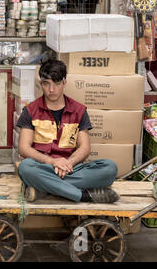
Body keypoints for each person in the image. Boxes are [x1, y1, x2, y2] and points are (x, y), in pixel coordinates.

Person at [16, 60, 119, 203]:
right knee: (25, 168)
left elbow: (85, 147)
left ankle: (45, 189)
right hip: (43, 168)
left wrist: (69, 163)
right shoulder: (30, 111)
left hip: (71, 169)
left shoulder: (79, 110)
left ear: (64, 83)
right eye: (47, 83)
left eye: (57, 84)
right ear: (41, 84)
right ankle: (82, 195)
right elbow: (23, 148)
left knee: (110, 169)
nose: (52, 89)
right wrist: (52, 162)